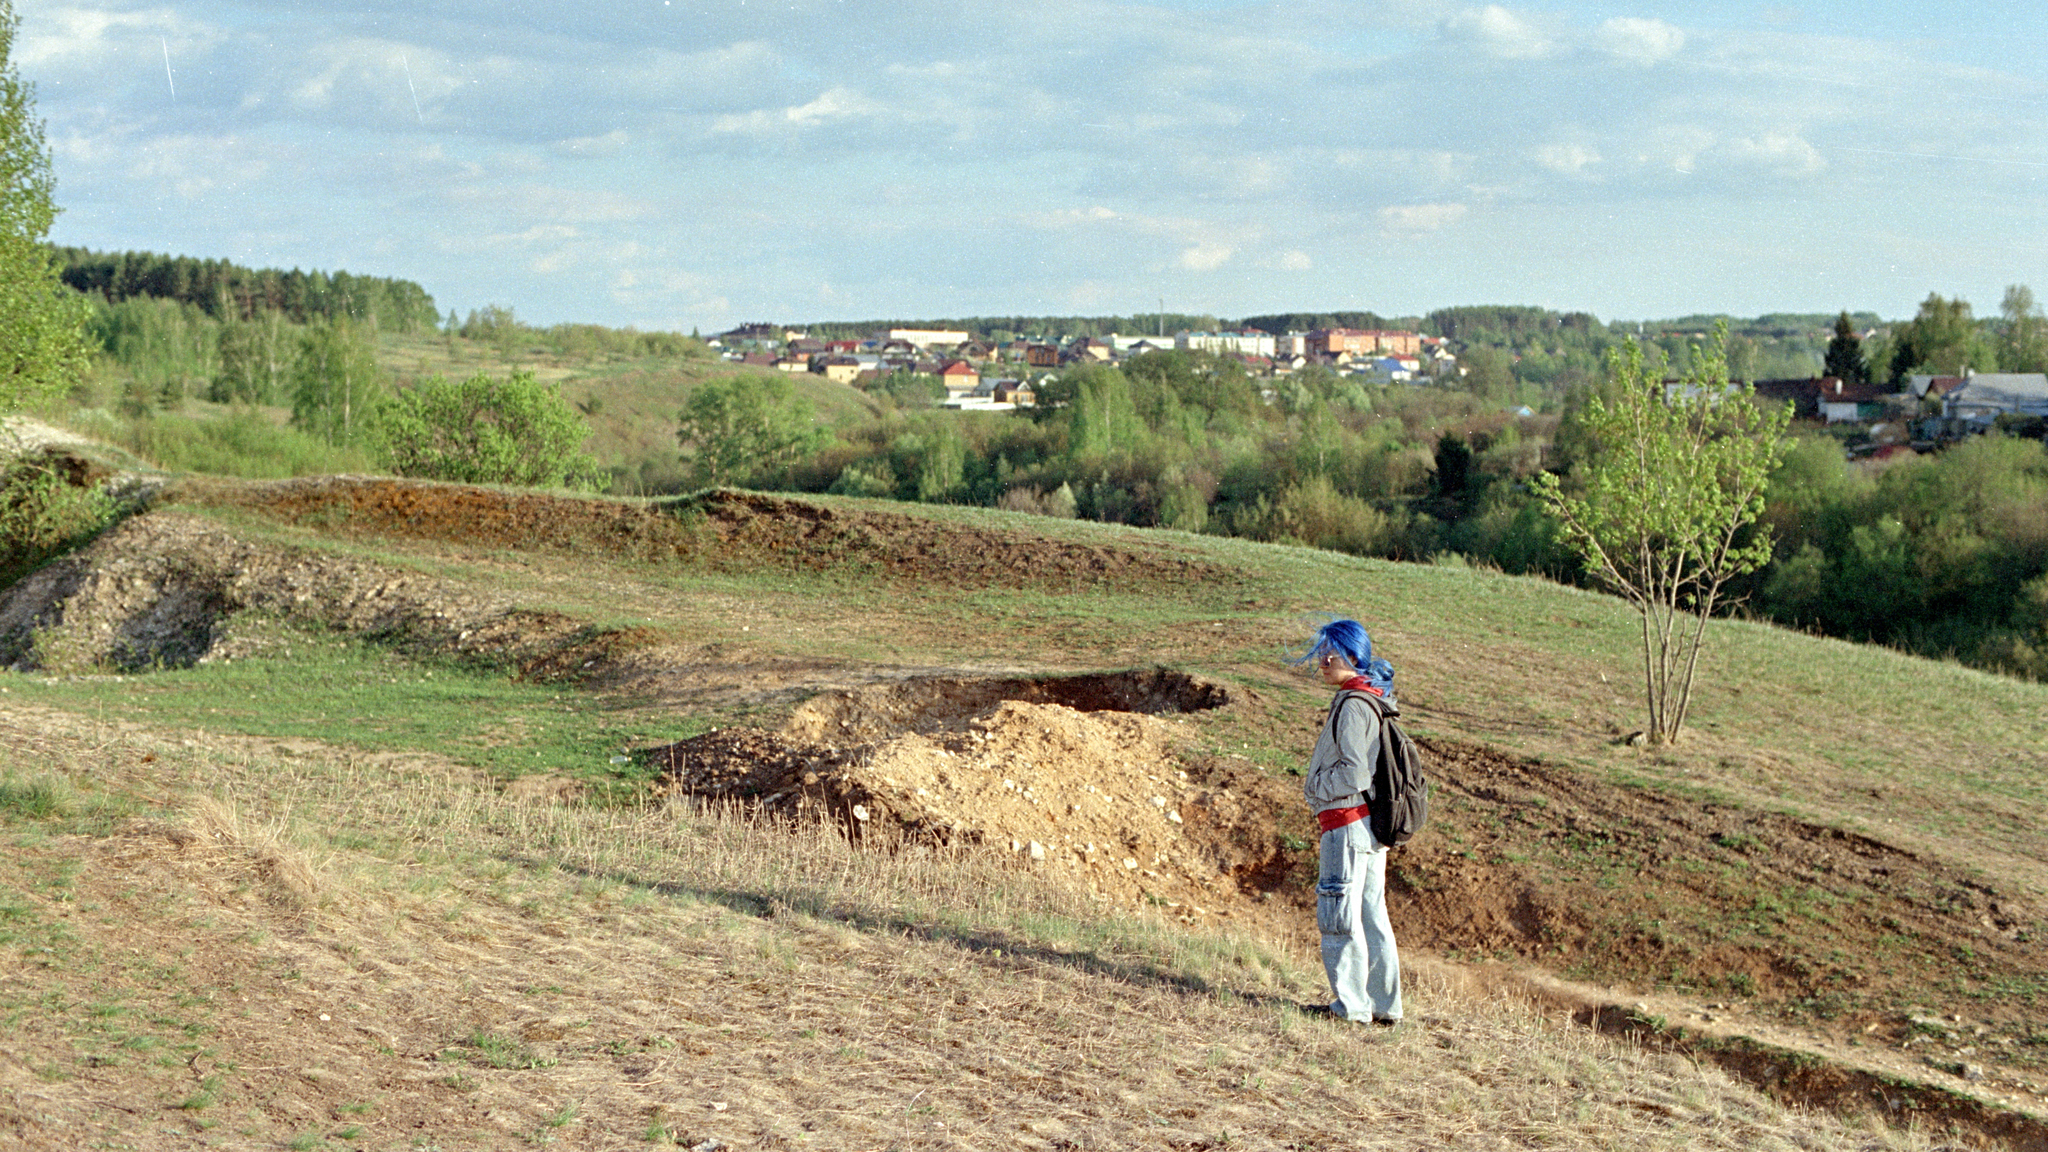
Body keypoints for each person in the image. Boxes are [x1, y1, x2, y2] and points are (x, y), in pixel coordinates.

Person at [1296, 618, 1402, 1025]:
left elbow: (1355, 774)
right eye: (1322, 651)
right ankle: (1383, 1008)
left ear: (1354, 657)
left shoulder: (1355, 705)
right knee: (1372, 916)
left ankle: (1352, 1009)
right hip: (1367, 829)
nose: (1322, 660)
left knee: (1340, 913)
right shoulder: (1368, 699)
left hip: (1347, 826)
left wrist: (1315, 787)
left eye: (1332, 653)